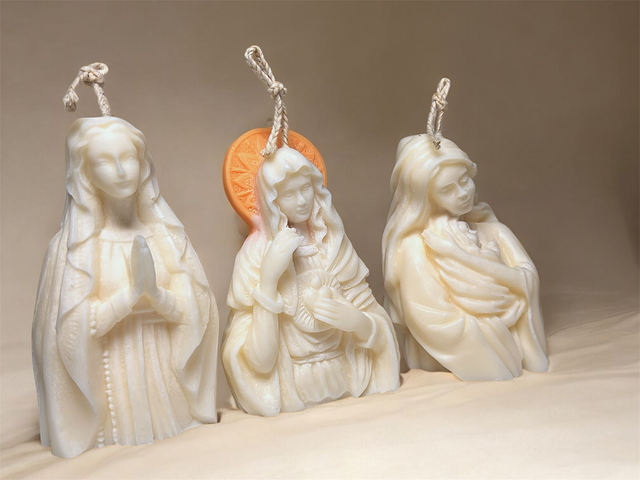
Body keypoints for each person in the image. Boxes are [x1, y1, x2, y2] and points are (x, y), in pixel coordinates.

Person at [32, 117, 218, 458]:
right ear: (86, 174)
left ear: (143, 163)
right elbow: (70, 332)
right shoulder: (73, 252)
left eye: (128, 158)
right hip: (113, 377)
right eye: (105, 162)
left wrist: (157, 296)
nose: (120, 171)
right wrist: (129, 297)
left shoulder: (166, 238)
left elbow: (196, 311)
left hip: (163, 375)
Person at [223, 146, 399, 416]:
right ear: (271, 201)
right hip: (294, 389)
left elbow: (378, 328)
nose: (302, 200)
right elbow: (258, 362)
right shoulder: (257, 255)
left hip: (347, 381)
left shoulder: (334, 246)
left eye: (306, 188)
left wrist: (358, 323)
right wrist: (268, 280)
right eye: (289, 194)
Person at [382, 134, 548, 381]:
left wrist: (462, 257)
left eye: (464, 181)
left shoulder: (494, 231)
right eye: (446, 190)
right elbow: (432, 318)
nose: (462, 193)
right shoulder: (415, 245)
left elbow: (528, 281)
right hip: (465, 348)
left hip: (501, 339)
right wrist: (492, 358)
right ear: (425, 197)